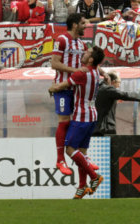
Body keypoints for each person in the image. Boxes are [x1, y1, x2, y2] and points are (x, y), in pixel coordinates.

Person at [49, 46, 105, 199]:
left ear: (91, 59)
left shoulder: (82, 73)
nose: (84, 53)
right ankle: (81, 187)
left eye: (88, 53)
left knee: (70, 150)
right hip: (92, 115)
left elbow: (62, 86)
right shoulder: (95, 72)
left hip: (81, 116)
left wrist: (52, 88)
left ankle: (94, 177)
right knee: (82, 153)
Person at [51, 13, 102, 176]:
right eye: (82, 23)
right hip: (63, 88)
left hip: (75, 90)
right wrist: (75, 71)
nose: (84, 26)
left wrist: (105, 73)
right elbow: (54, 63)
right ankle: (60, 159)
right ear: (74, 25)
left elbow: (91, 62)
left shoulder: (81, 44)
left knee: (77, 124)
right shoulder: (61, 39)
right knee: (64, 121)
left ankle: (84, 157)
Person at [92, 71, 140, 136]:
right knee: (110, 145)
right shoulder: (107, 89)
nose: (119, 85)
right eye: (119, 82)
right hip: (105, 128)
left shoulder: (98, 88)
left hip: (95, 126)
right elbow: (125, 95)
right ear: (113, 81)